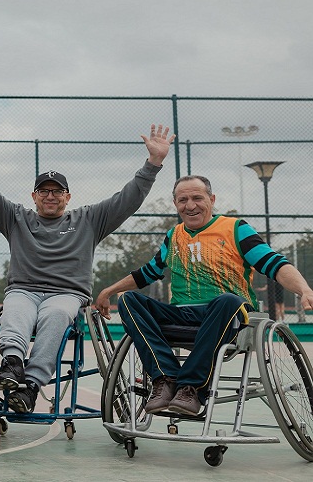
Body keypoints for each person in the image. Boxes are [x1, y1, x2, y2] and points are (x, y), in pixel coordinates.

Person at [0, 113, 172, 413]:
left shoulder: (89, 219)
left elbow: (127, 199)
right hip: (24, 290)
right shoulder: (16, 217)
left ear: (68, 197)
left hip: (67, 294)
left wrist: (153, 164)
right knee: (14, 309)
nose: (50, 196)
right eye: (44, 190)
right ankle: (12, 365)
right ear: (34, 196)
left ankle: (30, 386)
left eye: (57, 191)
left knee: (56, 315)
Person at [94, 175, 313, 416]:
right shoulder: (173, 235)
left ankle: (190, 387)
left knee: (228, 300)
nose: (190, 205)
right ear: (175, 204)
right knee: (129, 299)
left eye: (197, 198)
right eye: (182, 200)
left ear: (212, 199)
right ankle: (165, 379)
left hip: (226, 314)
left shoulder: (236, 229)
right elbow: (147, 273)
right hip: (181, 315)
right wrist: (109, 291)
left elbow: (275, 264)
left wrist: (304, 289)